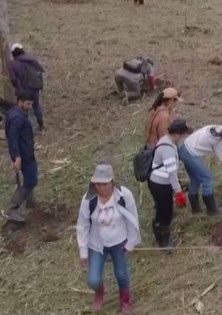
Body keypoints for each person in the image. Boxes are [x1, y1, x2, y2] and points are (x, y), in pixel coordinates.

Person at [76, 164, 140, 313]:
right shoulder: (88, 200)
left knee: (122, 274)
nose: (100, 187)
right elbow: (82, 225)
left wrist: (131, 242)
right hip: (97, 244)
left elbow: (132, 219)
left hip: (119, 243)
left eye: (104, 184)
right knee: (93, 280)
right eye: (97, 184)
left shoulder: (124, 196)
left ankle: (125, 301)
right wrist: (83, 251)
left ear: (112, 181)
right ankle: (100, 292)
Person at [178, 125, 222, 216]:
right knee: (208, 179)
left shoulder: (220, 129)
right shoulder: (217, 142)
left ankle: (195, 209)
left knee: (195, 180)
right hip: (190, 155)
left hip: (184, 148)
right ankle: (212, 210)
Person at [147, 119, 191, 247]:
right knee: (166, 212)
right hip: (161, 184)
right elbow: (172, 174)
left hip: (156, 182)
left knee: (161, 209)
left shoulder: (165, 140)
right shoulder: (168, 150)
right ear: (178, 133)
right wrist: (179, 192)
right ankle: (164, 241)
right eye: (182, 135)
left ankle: (158, 232)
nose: (182, 138)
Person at [2, 93, 37, 222]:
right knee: (31, 180)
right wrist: (17, 157)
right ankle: (12, 208)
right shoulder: (17, 118)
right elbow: (13, 139)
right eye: (28, 104)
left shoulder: (14, 113)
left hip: (25, 152)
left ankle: (31, 202)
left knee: (30, 177)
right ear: (20, 102)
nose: (30, 106)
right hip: (24, 154)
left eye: (31, 104)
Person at [7, 43, 45, 132]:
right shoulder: (32, 59)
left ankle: (24, 129)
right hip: (35, 87)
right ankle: (41, 126)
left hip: (23, 89)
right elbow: (41, 70)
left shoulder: (12, 63)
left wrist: (16, 86)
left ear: (13, 53)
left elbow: (13, 79)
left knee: (21, 109)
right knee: (36, 106)